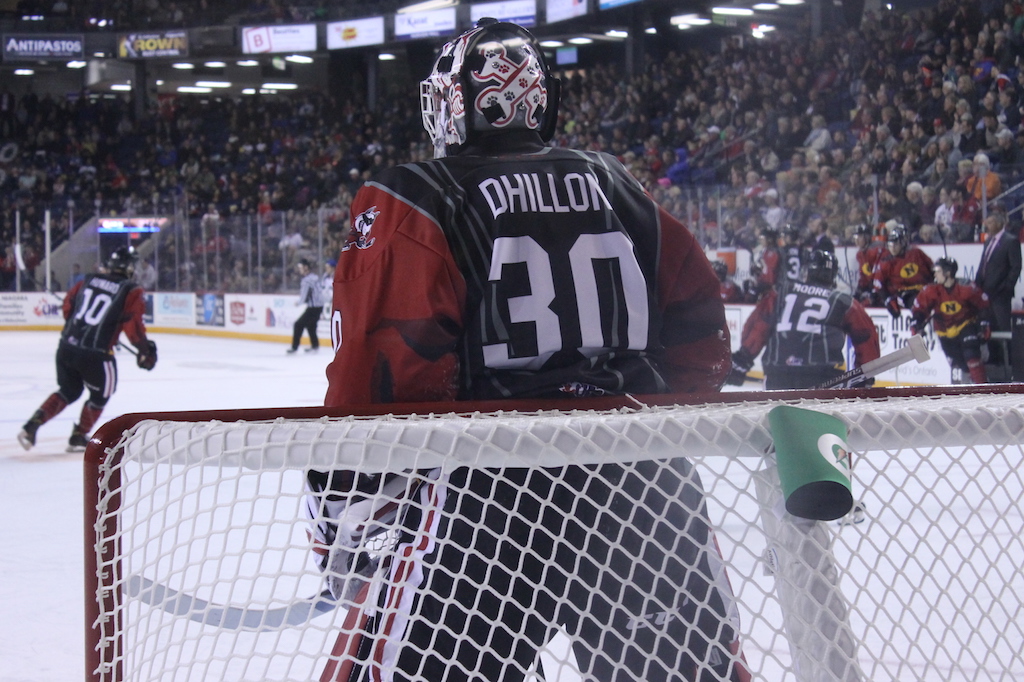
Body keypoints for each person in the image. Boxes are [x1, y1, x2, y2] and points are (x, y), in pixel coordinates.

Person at [309, 19, 747, 682]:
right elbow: (700, 333)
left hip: (490, 492)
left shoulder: (418, 195)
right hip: (640, 481)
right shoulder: (615, 182)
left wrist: (346, 496)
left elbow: (382, 371)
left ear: (455, 104)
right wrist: (647, 414)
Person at [17, 247, 157, 452]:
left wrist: (85, 330)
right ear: (129, 267)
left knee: (68, 390)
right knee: (102, 394)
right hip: (96, 355)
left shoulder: (88, 280)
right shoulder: (131, 290)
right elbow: (133, 327)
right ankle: (78, 436)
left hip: (66, 347)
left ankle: (31, 426)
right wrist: (145, 350)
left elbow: (68, 308)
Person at [728, 249, 880, 389]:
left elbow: (759, 324)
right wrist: (865, 374)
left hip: (778, 374)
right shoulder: (844, 301)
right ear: (833, 275)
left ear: (807, 271)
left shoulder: (781, 292)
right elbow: (866, 336)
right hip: (823, 377)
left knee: (776, 409)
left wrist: (744, 357)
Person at [911, 257, 991, 384]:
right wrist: (916, 323)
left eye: (938, 271)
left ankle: (983, 387)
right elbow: (919, 309)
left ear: (948, 272)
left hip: (965, 326)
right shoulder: (931, 290)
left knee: (971, 356)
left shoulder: (966, 288)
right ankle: (973, 383)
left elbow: (983, 304)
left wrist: (984, 324)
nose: (935, 274)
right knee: (961, 364)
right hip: (944, 332)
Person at [974, 211, 1022, 366]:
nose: (986, 226)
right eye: (986, 223)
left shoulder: (1010, 241)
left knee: (1003, 327)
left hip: (1001, 295)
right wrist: (976, 286)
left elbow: (1016, 267)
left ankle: (1009, 363)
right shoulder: (988, 241)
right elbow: (983, 265)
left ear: (1000, 224)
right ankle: (994, 360)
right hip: (985, 293)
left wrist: (1007, 288)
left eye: (990, 223)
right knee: (988, 327)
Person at [872, 223, 934, 318]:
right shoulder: (886, 262)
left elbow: (933, 270)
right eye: (890, 244)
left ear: (903, 243)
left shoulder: (916, 253)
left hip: (924, 291)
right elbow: (878, 285)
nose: (892, 248)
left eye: (896, 244)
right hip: (904, 295)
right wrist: (888, 299)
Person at [287, 258, 323, 353]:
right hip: (319, 306)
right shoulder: (315, 277)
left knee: (298, 324)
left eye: (301, 267)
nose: (299, 269)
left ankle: (294, 347)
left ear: (306, 267)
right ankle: (315, 346)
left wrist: (298, 303)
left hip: (313, 307)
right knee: (311, 326)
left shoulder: (306, 280)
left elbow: (304, 295)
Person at [850, 223, 887, 305]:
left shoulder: (877, 250)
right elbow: (864, 276)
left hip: (883, 289)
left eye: (859, 236)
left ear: (867, 237)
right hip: (873, 288)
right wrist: (859, 290)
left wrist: (874, 293)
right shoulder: (860, 254)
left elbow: (882, 275)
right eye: (855, 237)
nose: (856, 240)